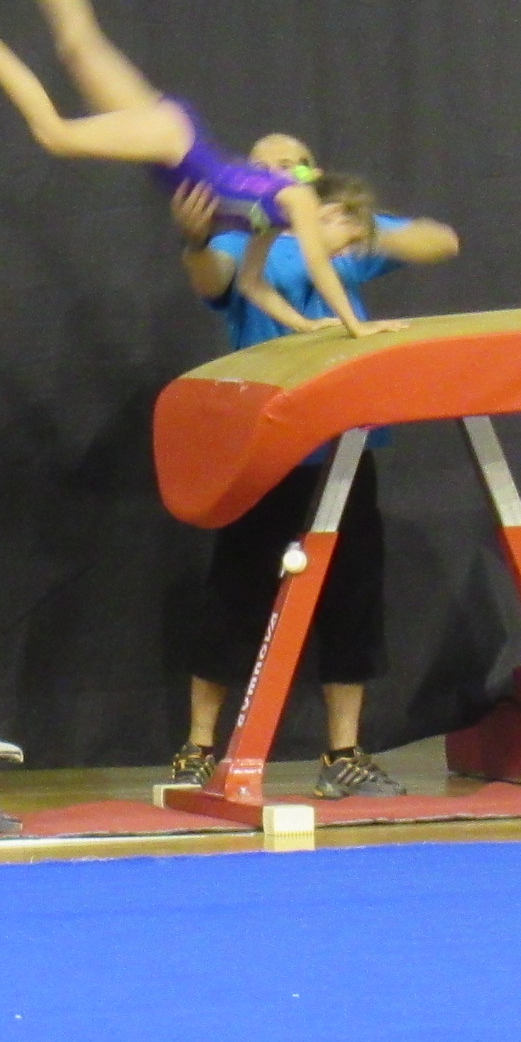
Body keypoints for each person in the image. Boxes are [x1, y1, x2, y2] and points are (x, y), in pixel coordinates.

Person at [0, 0, 403, 339]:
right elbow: (318, 266)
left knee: (79, 46)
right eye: (346, 238)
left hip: (172, 140)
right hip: (176, 142)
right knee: (56, 134)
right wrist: (355, 327)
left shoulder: (269, 224)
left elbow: (253, 286)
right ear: (327, 209)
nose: (341, 251)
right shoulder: (296, 198)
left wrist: (306, 325)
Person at [170, 172, 461, 801]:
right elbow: (216, 280)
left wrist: (362, 231)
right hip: (266, 446)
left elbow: (442, 242)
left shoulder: (343, 245)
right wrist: (195, 243)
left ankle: (344, 753)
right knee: (237, 591)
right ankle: (199, 746)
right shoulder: (247, 242)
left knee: (351, 594)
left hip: (344, 447)